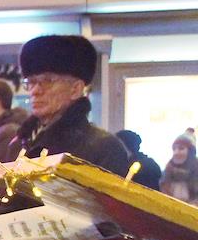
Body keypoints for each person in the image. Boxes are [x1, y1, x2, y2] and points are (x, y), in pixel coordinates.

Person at [7, 35, 129, 175]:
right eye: (31, 82)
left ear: (76, 89)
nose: (35, 91)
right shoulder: (18, 144)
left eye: (47, 81)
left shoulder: (105, 148)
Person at [161, 130, 198, 202]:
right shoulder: (169, 167)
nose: (176, 152)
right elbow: (164, 187)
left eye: (181, 148)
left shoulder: (196, 168)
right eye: (174, 149)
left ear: (190, 151)